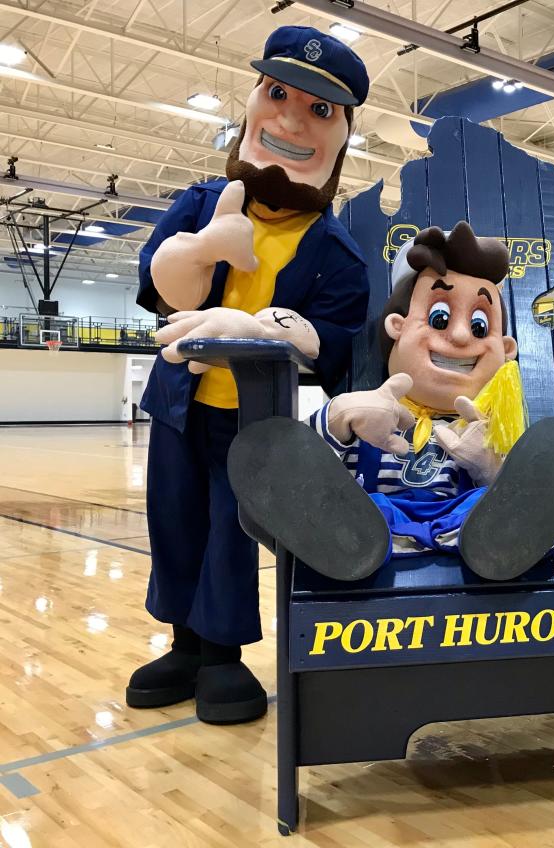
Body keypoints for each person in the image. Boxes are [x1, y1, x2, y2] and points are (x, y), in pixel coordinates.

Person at [126, 26, 371, 724]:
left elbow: (335, 346)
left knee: (233, 534)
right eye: (279, 94)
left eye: (320, 110)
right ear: (253, 103)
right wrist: (204, 250)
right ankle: (183, 645)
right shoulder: (201, 203)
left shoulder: (336, 250)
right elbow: (156, 286)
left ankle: (224, 654)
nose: (293, 118)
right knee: (173, 522)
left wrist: (279, 329)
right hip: (179, 401)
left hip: (254, 422)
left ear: (341, 134)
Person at [228, 222, 554, 583]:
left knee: (502, 500)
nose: (460, 335)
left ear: (505, 350)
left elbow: (512, 489)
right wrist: (338, 418)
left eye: (479, 327)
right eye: (439, 317)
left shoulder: (490, 424)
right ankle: (352, 546)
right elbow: (300, 466)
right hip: (370, 527)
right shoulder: (367, 409)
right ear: (397, 326)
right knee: (321, 484)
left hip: (467, 532)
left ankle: (502, 546)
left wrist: (488, 466)